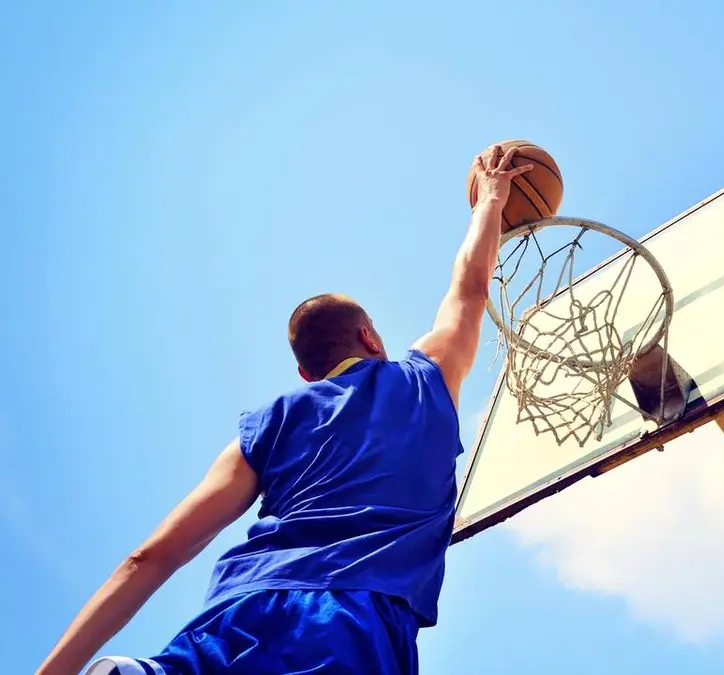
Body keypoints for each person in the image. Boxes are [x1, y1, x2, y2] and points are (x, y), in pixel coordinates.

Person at [36, 145, 536, 675]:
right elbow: (469, 289)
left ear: (306, 373)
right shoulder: (422, 379)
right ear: (370, 337)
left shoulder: (265, 427)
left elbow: (151, 557)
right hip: (351, 614)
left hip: (238, 611)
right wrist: (491, 200)